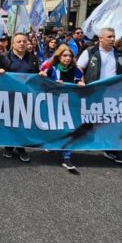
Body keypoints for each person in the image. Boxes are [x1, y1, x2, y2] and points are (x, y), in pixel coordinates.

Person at [77, 27, 122, 164]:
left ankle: (110, 149)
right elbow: (79, 67)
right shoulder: (90, 51)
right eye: (109, 37)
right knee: (90, 118)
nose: (112, 39)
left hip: (113, 93)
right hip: (94, 91)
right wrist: (80, 80)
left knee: (111, 121)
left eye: (113, 36)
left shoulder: (118, 54)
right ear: (101, 39)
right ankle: (84, 142)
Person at [39, 44, 85, 172]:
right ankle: (53, 144)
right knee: (55, 127)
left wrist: (80, 83)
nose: (68, 58)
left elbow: (81, 81)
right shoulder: (51, 69)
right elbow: (42, 82)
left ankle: (67, 157)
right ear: (59, 57)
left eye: (70, 56)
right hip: (55, 104)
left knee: (70, 129)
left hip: (71, 104)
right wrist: (48, 79)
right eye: (65, 55)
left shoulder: (76, 70)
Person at [0, 32, 40, 163]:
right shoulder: (3, 57)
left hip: (26, 95)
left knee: (24, 122)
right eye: (19, 41)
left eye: (24, 41)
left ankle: (21, 148)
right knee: (10, 121)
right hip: (8, 95)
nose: (22, 44)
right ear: (12, 44)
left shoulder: (32, 58)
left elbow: (35, 75)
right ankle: (9, 146)